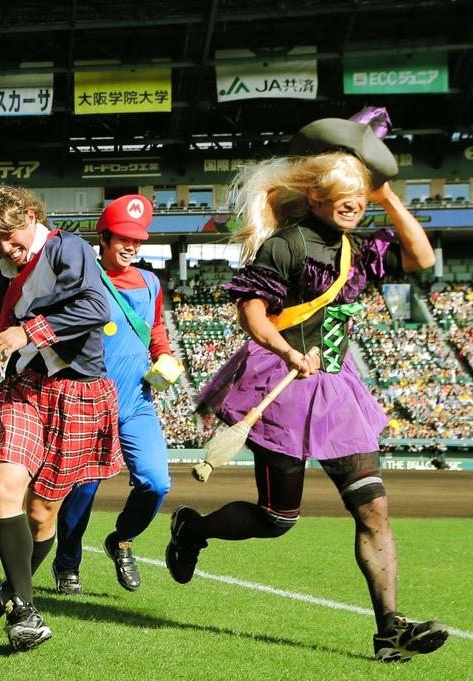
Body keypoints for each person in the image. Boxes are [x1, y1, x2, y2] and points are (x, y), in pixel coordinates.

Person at [166, 109, 449, 662]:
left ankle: (390, 628)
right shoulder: (286, 244)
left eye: (360, 196)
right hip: (284, 385)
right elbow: (253, 316)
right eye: (343, 195)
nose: (353, 204)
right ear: (314, 196)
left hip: (339, 391)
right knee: (277, 521)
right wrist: (291, 352)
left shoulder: (360, 250)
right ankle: (193, 529)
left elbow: (422, 256)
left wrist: (387, 196)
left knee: (373, 510)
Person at [0, 185, 122, 652]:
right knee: (3, 487)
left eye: (11, 236)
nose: (5, 248)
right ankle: (26, 614)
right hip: (27, 387)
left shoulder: (66, 247)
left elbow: (96, 308)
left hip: (79, 390)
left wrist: (25, 330)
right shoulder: (2, 264)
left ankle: (10, 592)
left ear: (31, 215)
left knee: (40, 513)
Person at [53, 195, 181, 595]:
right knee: (82, 491)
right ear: (103, 238)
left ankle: (122, 539)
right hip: (91, 403)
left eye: (137, 241)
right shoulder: (82, 278)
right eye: (123, 239)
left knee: (156, 483)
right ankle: (67, 565)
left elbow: (156, 330)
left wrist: (164, 357)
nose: (130, 247)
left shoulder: (151, 282)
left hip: (137, 403)